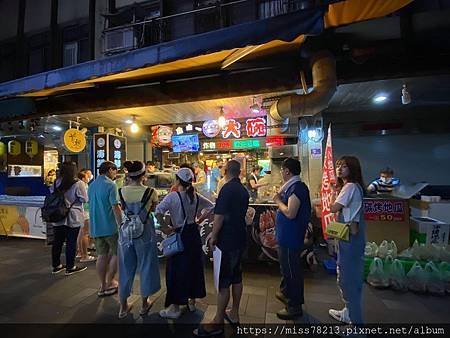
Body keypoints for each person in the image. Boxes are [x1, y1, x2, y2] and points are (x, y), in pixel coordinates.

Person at [194, 160, 249, 337]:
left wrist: (214, 236)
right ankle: (234, 313)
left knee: (224, 280)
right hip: (240, 238)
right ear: (240, 172)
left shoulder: (226, 189)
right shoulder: (243, 190)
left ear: (226, 171)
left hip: (228, 240)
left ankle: (217, 321)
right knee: (237, 277)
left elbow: (219, 217)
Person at [155, 167, 214, 319]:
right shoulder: (195, 196)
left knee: (175, 270)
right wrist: (199, 220)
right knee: (194, 267)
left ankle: (175, 308)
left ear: (177, 180)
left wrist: (165, 227)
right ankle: (192, 302)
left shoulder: (172, 197)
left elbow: (158, 211)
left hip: (179, 234)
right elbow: (211, 206)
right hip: (193, 234)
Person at [117, 161, 161, 319]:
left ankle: (123, 307)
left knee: (124, 267)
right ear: (143, 175)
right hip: (145, 232)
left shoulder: (121, 191)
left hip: (126, 232)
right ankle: (144, 304)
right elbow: (154, 209)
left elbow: (121, 208)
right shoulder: (151, 191)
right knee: (146, 266)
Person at [329, 156, 366, 325]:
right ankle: (348, 313)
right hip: (350, 237)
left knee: (349, 280)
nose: (339, 169)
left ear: (352, 169)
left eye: (344, 166)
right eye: (338, 166)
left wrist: (333, 191)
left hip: (351, 239)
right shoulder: (353, 187)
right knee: (347, 276)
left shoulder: (350, 186)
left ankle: (357, 326)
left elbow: (333, 207)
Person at [272, 158, 311, 320]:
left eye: (282, 170)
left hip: (291, 238)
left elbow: (290, 212)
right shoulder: (292, 187)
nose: (281, 173)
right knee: (287, 268)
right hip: (287, 237)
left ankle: (294, 306)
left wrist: (277, 201)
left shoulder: (296, 188)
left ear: (287, 171)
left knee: (292, 271)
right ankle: (286, 292)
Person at [89, 161, 122, 297]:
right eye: (115, 170)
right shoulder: (111, 185)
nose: (115, 174)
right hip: (110, 226)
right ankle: (110, 281)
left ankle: (102, 285)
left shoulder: (92, 185)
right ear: (109, 170)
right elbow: (115, 206)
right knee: (116, 253)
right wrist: (121, 223)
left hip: (96, 226)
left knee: (101, 256)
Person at [50, 162, 88, 275]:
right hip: (73, 216)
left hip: (58, 216)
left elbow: (52, 195)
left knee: (57, 242)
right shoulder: (78, 183)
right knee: (71, 242)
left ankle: (56, 265)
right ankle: (70, 267)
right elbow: (84, 199)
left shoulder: (56, 182)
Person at [76, 170, 96, 263]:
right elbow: (86, 199)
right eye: (87, 176)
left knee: (81, 234)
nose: (89, 177)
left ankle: (80, 252)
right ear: (83, 178)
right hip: (85, 212)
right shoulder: (83, 185)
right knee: (85, 233)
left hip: (81, 212)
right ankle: (84, 255)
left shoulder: (77, 185)